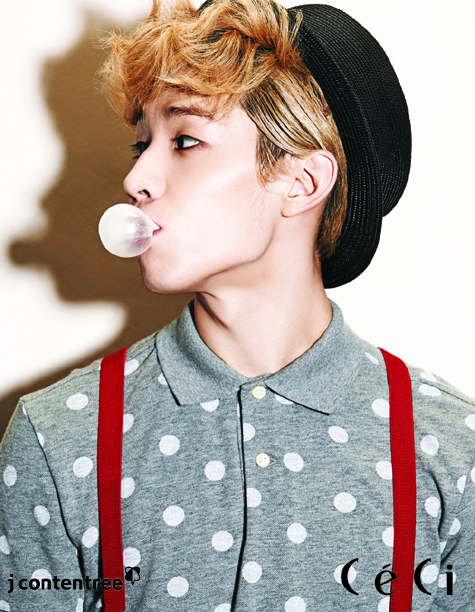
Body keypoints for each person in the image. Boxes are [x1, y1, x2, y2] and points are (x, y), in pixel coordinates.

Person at [1, 0, 474, 610]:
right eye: (142, 145)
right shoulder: (57, 437)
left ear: (302, 182)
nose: (136, 179)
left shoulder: (452, 450)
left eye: (185, 140)